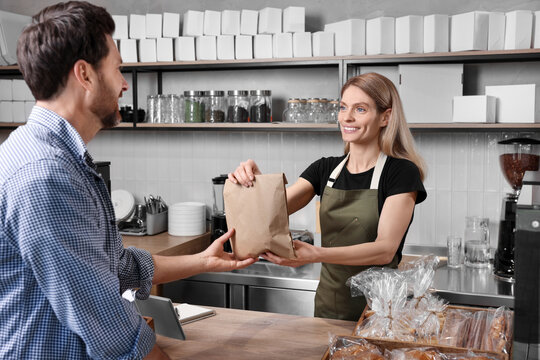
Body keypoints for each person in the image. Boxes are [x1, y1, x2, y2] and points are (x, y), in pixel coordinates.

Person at [0, 2, 255, 359]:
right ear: (85, 75)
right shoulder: (46, 175)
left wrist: (204, 261)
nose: (123, 84)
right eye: (117, 69)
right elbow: (108, 326)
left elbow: (116, 267)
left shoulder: (53, 155)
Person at [229, 72, 427, 321]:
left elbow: (384, 250)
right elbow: (269, 213)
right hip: (328, 308)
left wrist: (317, 254)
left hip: (379, 314)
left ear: (385, 117)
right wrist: (253, 185)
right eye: (343, 107)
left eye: (361, 109)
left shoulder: (400, 173)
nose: (347, 117)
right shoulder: (325, 169)